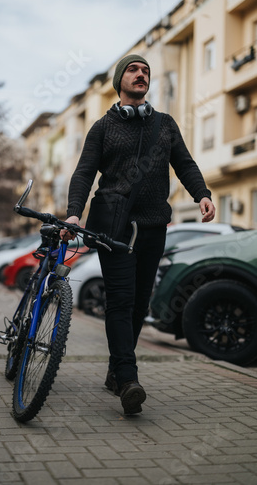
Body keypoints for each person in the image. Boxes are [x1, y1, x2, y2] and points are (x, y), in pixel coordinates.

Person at [61, 54, 215, 415]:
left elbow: (185, 164)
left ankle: (116, 371)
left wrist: (202, 194)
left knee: (139, 303)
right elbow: (84, 173)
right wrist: (74, 211)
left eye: (146, 71)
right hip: (113, 226)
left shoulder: (164, 125)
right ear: (120, 81)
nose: (141, 74)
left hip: (152, 226)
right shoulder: (102, 127)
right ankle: (129, 380)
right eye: (133, 69)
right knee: (119, 299)